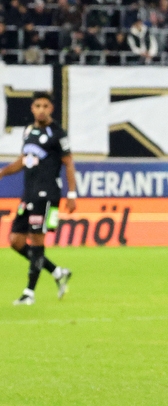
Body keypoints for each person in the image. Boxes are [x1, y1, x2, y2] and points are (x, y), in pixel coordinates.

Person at [0, 92, 74, 305]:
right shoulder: (29, 131)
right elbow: (24, 160)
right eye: (37, 105)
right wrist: (4, 172)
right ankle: (57, 271)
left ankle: (29, 293)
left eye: (45, 105)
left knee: (37, 239)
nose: (41, 109)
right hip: (29, 194)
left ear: (51, 108)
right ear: (32, 108)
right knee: (16, 241)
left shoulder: (58, 133)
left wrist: (71, 194)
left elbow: (69, 162)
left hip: (47, 194)